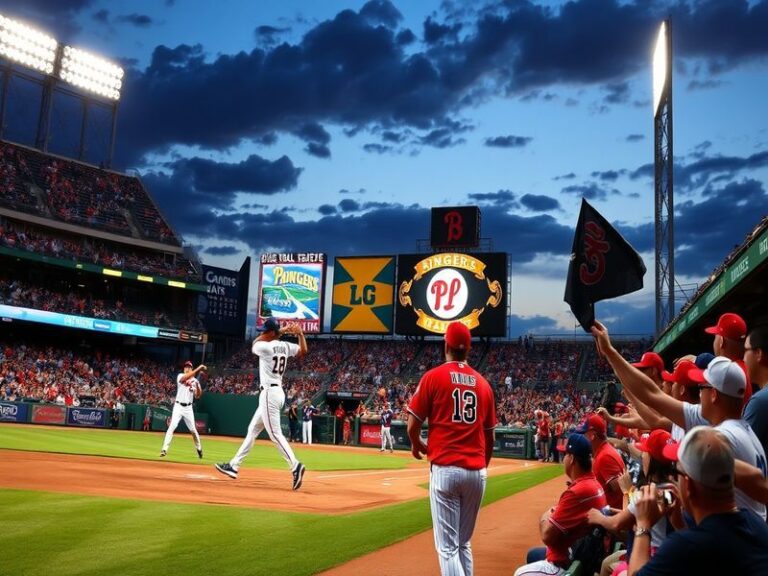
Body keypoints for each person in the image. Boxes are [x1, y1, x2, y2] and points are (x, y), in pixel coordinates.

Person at [591, 320, 767, 520]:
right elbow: (652, 395)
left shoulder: (722, 438)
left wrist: (633, 501)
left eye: (702, 387)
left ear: (714, 395)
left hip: (732, 541)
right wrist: (610, 353)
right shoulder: (722, 424)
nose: (698, 392)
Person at [407, 322, 496, 576]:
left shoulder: (433, 377)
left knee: (447, 549)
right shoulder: (484, 385)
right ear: (468, 350)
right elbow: (489, 439)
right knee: (463, 543)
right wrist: (481, 467)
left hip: (446, 468)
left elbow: (413, 424)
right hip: (476, 472)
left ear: (445, 345)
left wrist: (417, 444)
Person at [629, 426, 768, 575]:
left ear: (688, 485)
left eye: (677, 472)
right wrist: (679, 524)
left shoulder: (682, 547)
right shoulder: (756, 524)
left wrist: (643, 525)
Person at [215, 318, 307, 491]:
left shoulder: (265, 346)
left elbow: (255, 343)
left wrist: (282, 330)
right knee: (253, 430)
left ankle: (295, 466)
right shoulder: (286, 346)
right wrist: (299, 333)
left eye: (266, 330)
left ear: (272, 332)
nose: (262, 333)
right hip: (278, 392)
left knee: (275, 434)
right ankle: (234, 466)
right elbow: (303, 350)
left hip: (269, 394)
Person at [514, 433, 607, 576]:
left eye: (565, 455)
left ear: (572, 459)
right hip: (581, 553)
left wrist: (547, 514)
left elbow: (546, 535)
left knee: (520, 573)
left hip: (566, 563)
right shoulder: (593, 484)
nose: (564, 459)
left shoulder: (578, 491)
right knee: (533, 554)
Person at [576, 413, 626, 510]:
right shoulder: (602, 452)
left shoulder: (605, 456)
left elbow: (620, 488)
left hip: (607, 518)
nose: (582, 438)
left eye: (584, 434)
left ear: (592, 435)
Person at [160, 360, 204, 458]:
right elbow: (185, 378)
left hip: (188, 408)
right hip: (178, 406)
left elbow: (198, 396)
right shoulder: (180, 376)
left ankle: (199, 449)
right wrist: (198, 369)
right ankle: (164, 449)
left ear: (191, 368)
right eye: (186, 367)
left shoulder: (195, 381)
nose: (187, 368)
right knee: (172, 426)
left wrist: (197, 385)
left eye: (189, 367)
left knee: (193, 430)